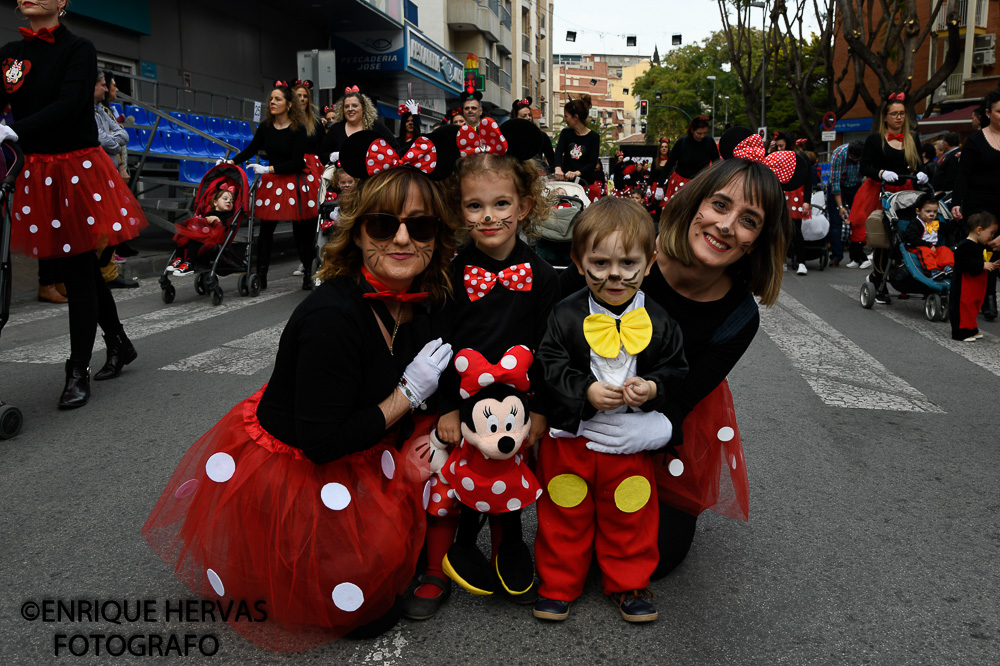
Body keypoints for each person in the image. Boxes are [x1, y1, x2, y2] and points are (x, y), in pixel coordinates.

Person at [142, 133, 463, 652]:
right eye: (385, 225)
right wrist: (407, 393)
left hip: (362, 443)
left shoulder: (424, 299)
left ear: (436, 238)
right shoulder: (332, 318)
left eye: (419, 225)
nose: (402, 240)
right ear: (358, 235)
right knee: (367, 615)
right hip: (305, 467)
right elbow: (322, 442)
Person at [556, 126, 792, 580]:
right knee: (569, 540)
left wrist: (656, 429)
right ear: (695, 202)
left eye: (749, 220)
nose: (726, 225)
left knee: (655, 554)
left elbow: (682, 398)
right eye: (720, 205)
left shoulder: (739, 316)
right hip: (579, 406)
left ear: (758, 241)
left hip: (662, 418)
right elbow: (551, 326)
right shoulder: (628, 252)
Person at [403, 119, 559, 620]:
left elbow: (551, 348)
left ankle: (509, 543)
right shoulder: (449, 274)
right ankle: (451, 551)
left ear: (524, 206)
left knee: (510, 472)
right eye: (475, 206)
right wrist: (447, 406)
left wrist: (541, 410)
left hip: (518, 405)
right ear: (458, 209)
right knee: (459, 477)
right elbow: (438, 345)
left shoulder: (539, 275)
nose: (489, 217)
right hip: (463, 402)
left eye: (501, 204)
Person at [533, 196, 687, 624]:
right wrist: (584, 390)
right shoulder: (564, 314)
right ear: (579, 263)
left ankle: (629, 582)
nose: (615, 275)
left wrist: (653, 388)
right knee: (564, 511)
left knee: (631, 512)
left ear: (650, 262)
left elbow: (677, 369)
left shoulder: (660, 319)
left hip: (629, 443)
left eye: (628, 263)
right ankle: (558, 584)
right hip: (572, 439)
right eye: (600, 263)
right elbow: (548, 363)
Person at [1, 0, 147, 408]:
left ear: (62, 1)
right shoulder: (10, 54)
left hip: (75, 170)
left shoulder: (78, 48)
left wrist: (13, 130)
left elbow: (68, 106)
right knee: (78, 266)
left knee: (78, 267)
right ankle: (118, 341)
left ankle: (77, 369)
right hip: (35, 170)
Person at [229, 81, 316, 291]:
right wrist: (231, 162)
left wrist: (268, 170)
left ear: (289, 104)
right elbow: (250, 150)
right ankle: (261, 275)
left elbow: (297, 162)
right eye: (271, 99)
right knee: (266, 230)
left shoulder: (299, 129)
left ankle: (307, 273)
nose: (272, 103)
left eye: (277, 99)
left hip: (293, 180)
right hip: (273, 182)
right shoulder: (266, 127)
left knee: (300, 231)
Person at [848, 93, 926, 300]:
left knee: (908, 235)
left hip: (907, 193)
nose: (899, 118)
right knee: (884, 239)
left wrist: (922, 174)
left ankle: (903, 278)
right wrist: (881, 173)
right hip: (880, 191)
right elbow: (865, 166)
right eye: (894, 114)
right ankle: (878, 279)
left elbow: (919, 165)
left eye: (902, 113)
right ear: (885, 117)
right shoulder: (875, 139)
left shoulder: (912, 138)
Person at [952, 89, 1000, 321]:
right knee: (986, 251)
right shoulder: (974, 140)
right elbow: (963, 175)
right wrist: (956, 203)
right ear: (989, 113)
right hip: (979, 205)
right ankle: (988, 298)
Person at [93, 71, 137, 290]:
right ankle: (102, 273)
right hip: (98, 175)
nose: (111, 89)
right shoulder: (87, 112)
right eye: (106, 85)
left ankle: (107, 272)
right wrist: (115, 137)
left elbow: (124, 137)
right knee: (104, 225)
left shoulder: (102, 110)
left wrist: (114, 137)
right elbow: (104, 141)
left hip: (110, 173)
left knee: (113, 223)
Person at [949, 211, 999, 341]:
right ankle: (960, 332)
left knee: (974, 306)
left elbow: (980, 261)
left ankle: (971, 328)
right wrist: (982, 265)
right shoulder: (965, 245)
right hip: (964, 284)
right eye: (991, 233)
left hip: (975, 284)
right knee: (963, 307)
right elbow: (964, 262)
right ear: (979, 230)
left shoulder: (979, 245)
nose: (992, 237)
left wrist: (992, 264)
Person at [169, 187, 237, 276]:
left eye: (231, 201)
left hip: (215, 237)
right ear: (215, 202)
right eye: (225, 199)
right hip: (203, 234)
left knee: (195, 240)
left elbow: (225, 228)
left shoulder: (228, 216)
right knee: (181, 235)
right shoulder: (208, 213)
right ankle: (179, 258)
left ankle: (189, 263)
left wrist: (218, 220)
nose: (229, 202)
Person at [319, 85, 398, 162]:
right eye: (346, 106)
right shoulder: (335, 129)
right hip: (342, 174)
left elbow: (396, 150)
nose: (350, 109)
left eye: (354, 105)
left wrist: (378, 158)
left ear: (363, 108)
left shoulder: (376, 126)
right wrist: (332, 155)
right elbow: (322, 154)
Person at [553, 94, 605, 200]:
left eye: (566, 116)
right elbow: (558, 152)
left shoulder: (594, 137)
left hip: (586, 185)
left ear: (575, 117)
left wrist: (577, 173)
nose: (564, 119)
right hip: (568, 186)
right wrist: (558, 167)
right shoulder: (565, 133)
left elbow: (592, 163)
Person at [661, 116, 720, 202]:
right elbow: (669, 164)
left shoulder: (709, 142)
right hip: (680, 182)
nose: (702, 136)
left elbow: (717, 164)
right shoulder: (682, 142)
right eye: (699, 133)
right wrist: (660, 185)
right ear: (692, 130)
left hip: (701, 183)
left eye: (705, 133)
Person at [827, 139, 865, 267]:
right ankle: (836, 256)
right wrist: (841, 206)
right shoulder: (839, 154)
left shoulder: (864, 154)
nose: (854, 161)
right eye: (852, 159)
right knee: (836, 222)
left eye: (857, 160)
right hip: (838, 187)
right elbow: (835, 183)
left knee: (857, 221)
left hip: (855, 186)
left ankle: (856, 255)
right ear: (849, 153)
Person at [901, 192, 954, 279]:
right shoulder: (915, 223)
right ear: (918, 211)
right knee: (926, 251)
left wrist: (956, 222)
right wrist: (928, 245)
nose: (932, 214)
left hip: (933, 247)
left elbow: (947, 229)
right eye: (928, 211)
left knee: (945, 250)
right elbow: (913, 239)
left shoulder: (935, 222)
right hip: (916, 247)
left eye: (935, 211)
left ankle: (948, 267)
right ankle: (932, 270)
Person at [290, 79, 324, 183]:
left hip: (312, 165)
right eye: (299, 96)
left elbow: (323, 146)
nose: (302, 99)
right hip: (290, 163)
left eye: (305, 96)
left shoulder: (316, 122)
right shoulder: (285, 120)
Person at [511, 96, 555, 172]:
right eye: (524, 116)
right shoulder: (510, 136)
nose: (528, 118)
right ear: (516, 117)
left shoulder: (541, 136)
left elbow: (552, 159)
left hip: (537, 175)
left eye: (530, 115)